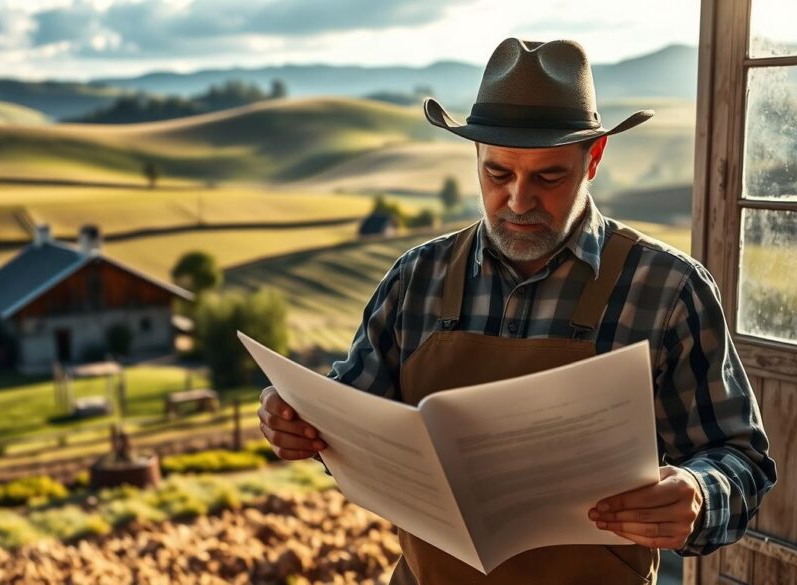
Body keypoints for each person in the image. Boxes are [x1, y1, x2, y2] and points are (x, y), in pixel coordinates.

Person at [256, 38, 776, 584]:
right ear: (475, 157)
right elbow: (347, 419)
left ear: (593, 159)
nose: (519, 200)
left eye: (549, 177)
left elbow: (742, 460)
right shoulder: (417, 278)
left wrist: (698, 494)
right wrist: (299, 423)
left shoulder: (668, 289)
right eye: (498, 175)